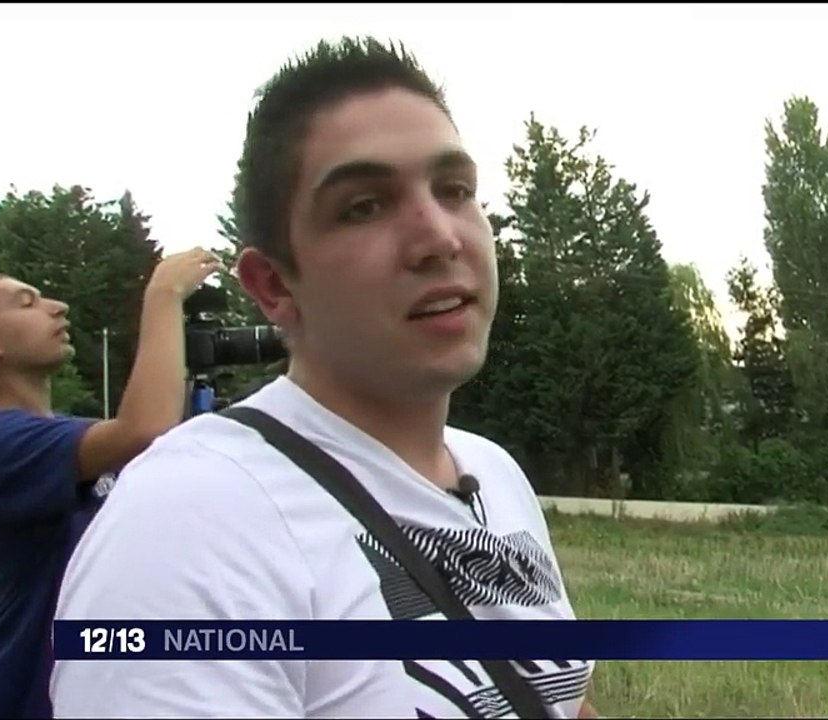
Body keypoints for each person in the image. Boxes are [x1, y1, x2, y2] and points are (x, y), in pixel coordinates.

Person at [50, 37, 598, 719]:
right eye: (363, 206)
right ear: (274, 286)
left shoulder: (494, 473)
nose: (440, 236)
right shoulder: (192, 521)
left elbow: (556, 699)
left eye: (455, 189)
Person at [0, 248, 222, 719]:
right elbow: (144, 429)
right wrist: (164, 294)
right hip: (26, 699)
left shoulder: (64, 434)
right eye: (26, 302)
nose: (58, 306)